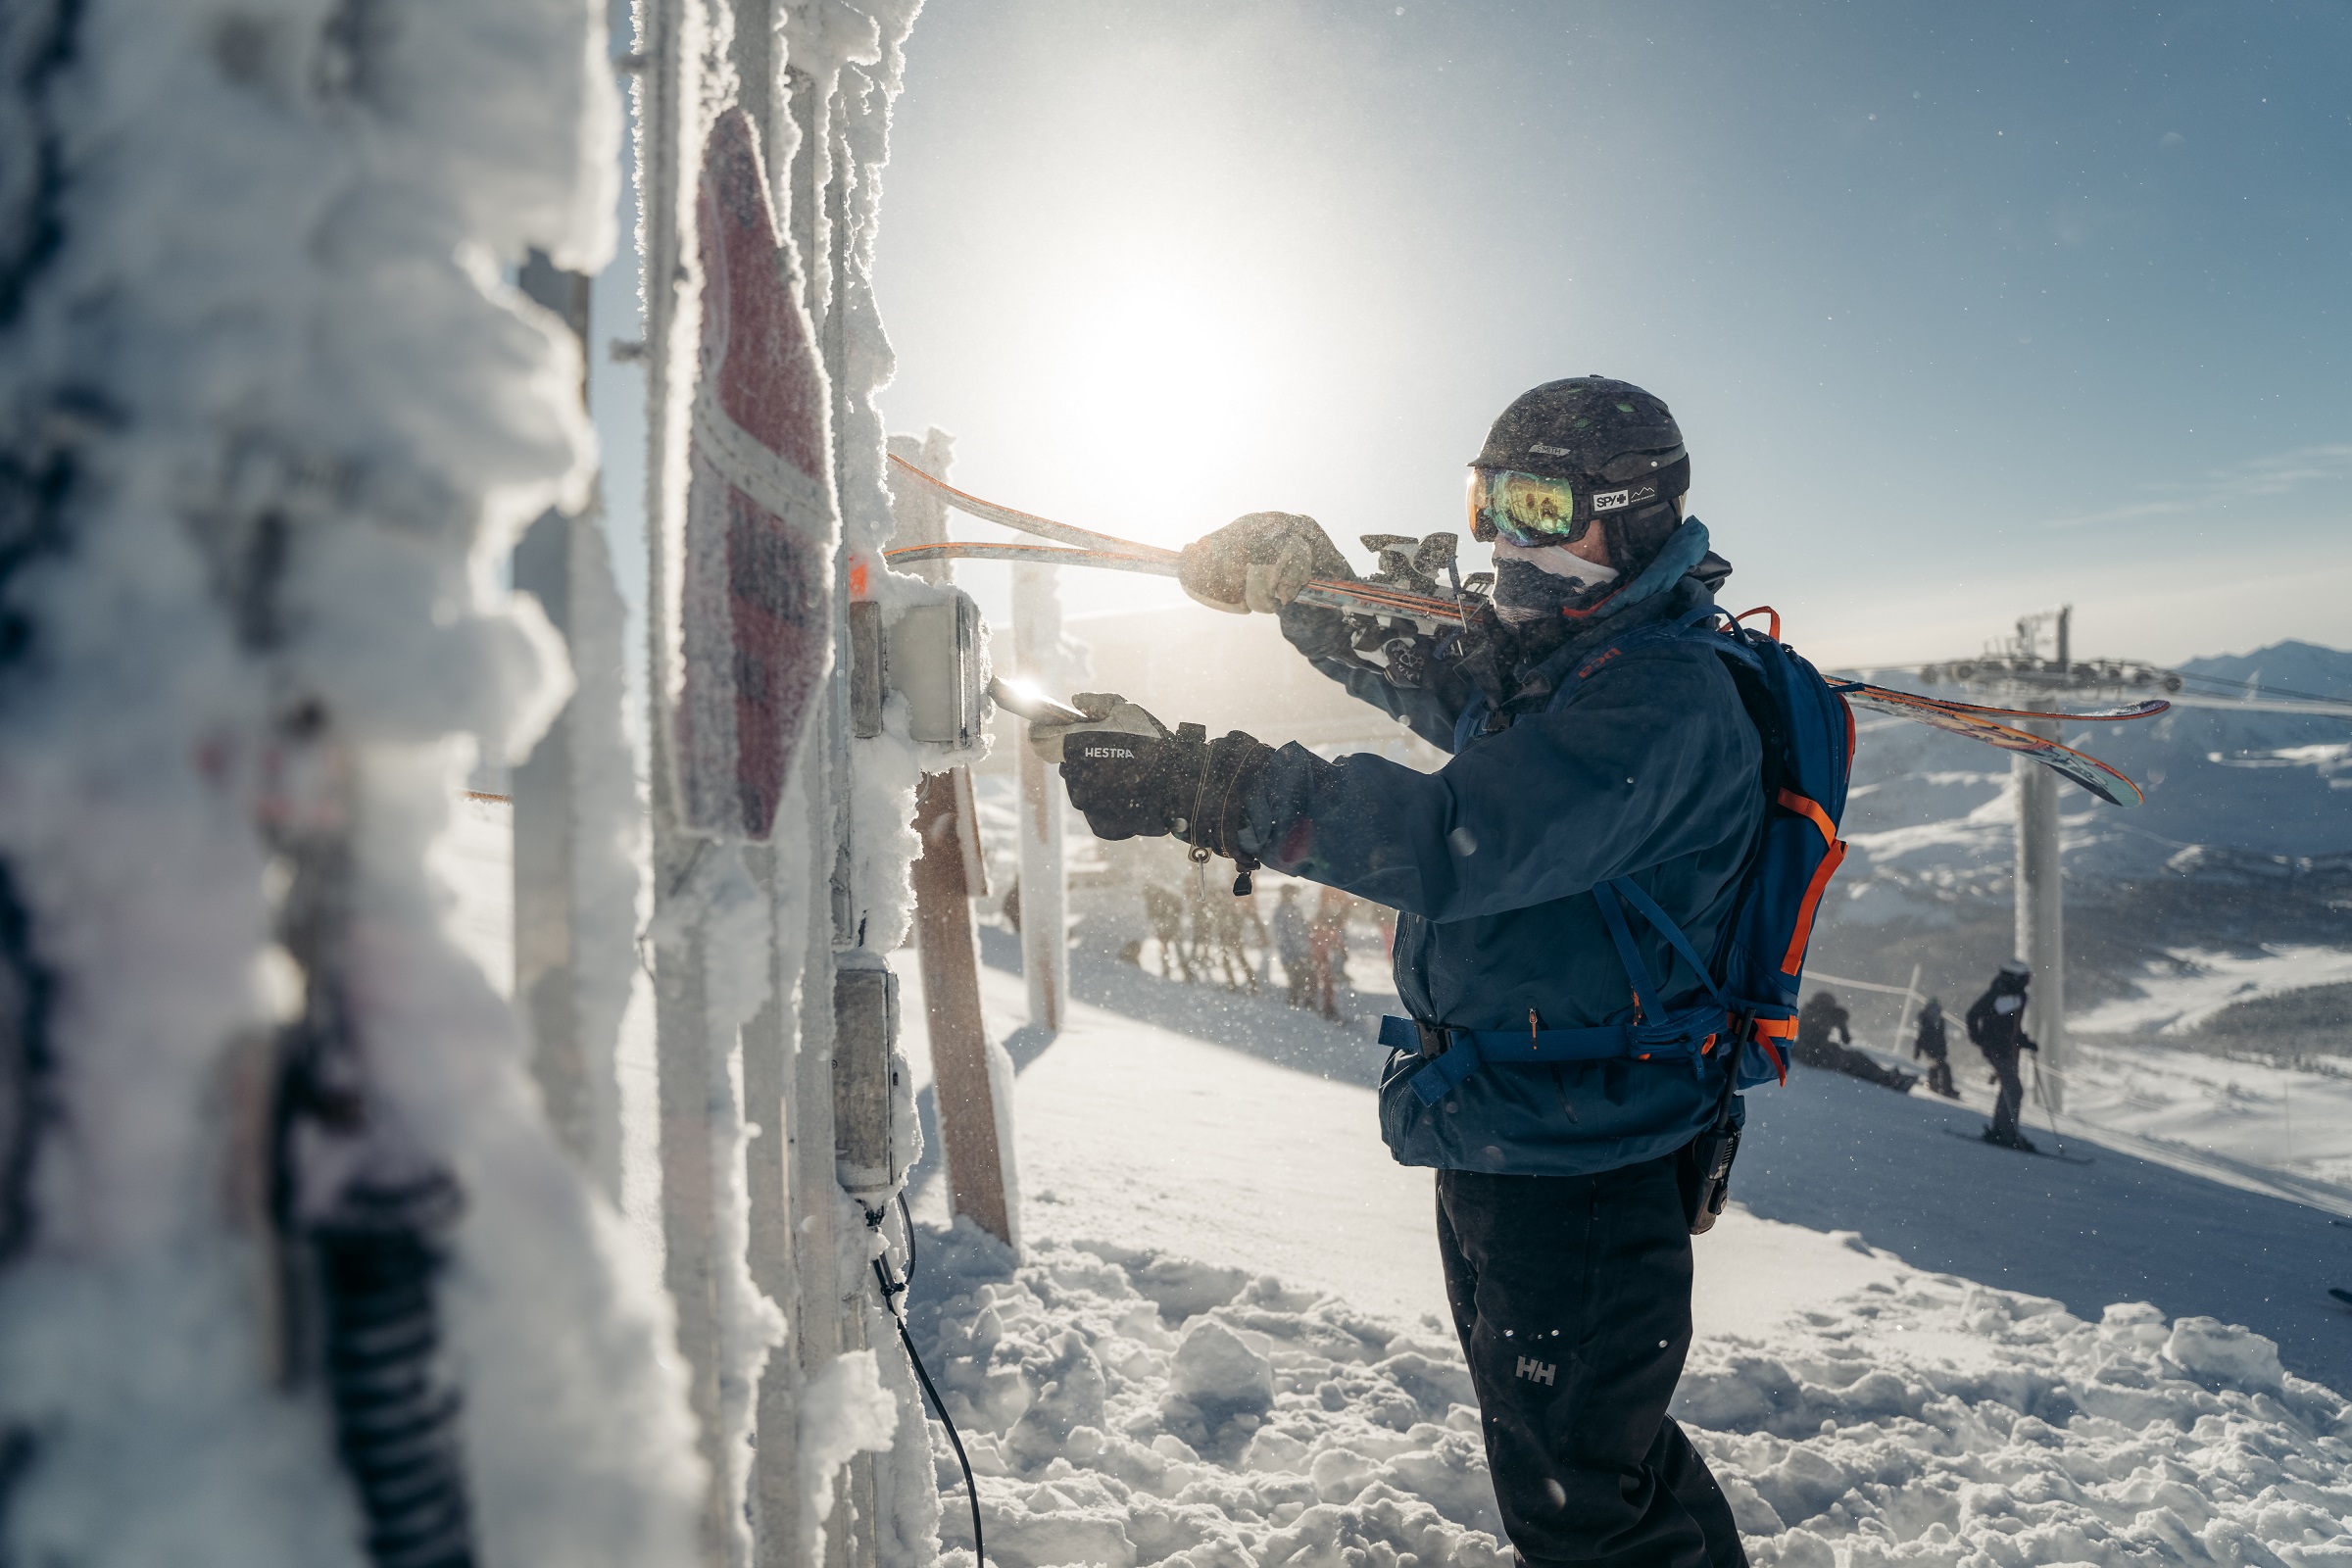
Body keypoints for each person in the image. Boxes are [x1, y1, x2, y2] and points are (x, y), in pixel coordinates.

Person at [1033, 378, 1754, 1568]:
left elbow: (1450, 839)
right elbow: (1441, 673)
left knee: (1585, 1497)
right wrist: (1308, 585)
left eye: (1538, 505)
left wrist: (1202, 787)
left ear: (1628, 513)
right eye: (1491, 503)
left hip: (1591, 1158)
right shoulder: (1571, 658)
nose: (1506, 542)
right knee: (1576, 1462)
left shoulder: (1660, 703)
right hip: (1510, 1121)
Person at [1966, 959, 2040, 1150]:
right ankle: (2007, 1134)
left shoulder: (2019, 996)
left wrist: (2023, 1041)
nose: (2027, 981)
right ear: (2014, 978)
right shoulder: (1996, 995)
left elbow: (2011, 1026)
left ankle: (2001, 1130)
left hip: (2009, 1050)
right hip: (1997, 1050)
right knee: (2015, 1090)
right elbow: (1973, 1015)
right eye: (2025, 978)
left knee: (2008, 1088)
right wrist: (1980, 1039)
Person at [1791, 990, 1916, 1094]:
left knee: (1854, 1059)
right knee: (1855, 1059)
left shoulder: (1810, 1012)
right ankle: (1886, 1079)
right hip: (1818, 1055)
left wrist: (1840, 1022)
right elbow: (1843, 1038)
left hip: (1813, 1053)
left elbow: (1845, 1039)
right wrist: (1838, 1020)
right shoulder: (1814, 1013)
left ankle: (1885, 1077)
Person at [1271, 885, 1314, 1008]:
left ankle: (1302, 1006)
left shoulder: (1291, 909)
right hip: (1293, 954)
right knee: (1297, 981)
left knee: (1303, 980)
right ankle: (1296, 1007)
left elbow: (1301, 930)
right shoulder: (1283, 911)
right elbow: (1284, 935)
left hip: (1298, 952)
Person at [1911, 998, 1957, 1099]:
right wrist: (1917, 1052)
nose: (1934, 1012)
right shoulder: (1926, 1021)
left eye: (1936, 1009)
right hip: (1929, 1048)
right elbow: (1920, 1038)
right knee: (1942, 1065)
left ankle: (1934, 1082)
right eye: (1932, 1009)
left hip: (1938, 1049)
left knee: (1937, 1065)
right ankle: (1944, 1087)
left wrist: (1944, 1051)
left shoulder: (1939, 1022)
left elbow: (1941, 1038)